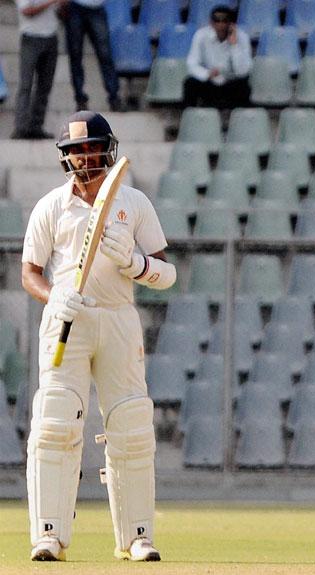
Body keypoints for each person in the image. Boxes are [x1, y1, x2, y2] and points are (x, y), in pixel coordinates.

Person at [21, 110, 177, 561]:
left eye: (91, 148)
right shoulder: (52, 206)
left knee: (130, 424)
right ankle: (48, 535)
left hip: (117, 319)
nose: (85, 157)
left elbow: (166, 273)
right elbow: (28, 271)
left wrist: (135, 264)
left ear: (107, 151)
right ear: (65, 158)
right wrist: (53, 298)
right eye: (76, 151)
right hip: (66, 321)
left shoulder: (134, 203)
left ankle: (137, 536)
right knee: (54, 422)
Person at [11, 0, 67, 139]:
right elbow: (27, 11)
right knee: (26, 84)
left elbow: (62, 14)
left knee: (45, 85)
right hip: (30, 37)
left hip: (51, 37)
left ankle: (36, 126)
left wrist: (63, 6)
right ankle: (21, 127)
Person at [184, 4, 252, 108]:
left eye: (224, 20)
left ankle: (239, 120)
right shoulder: (201, 35)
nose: (220, 24)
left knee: (244, 86)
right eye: (216, 20)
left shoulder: (243, 37)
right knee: (189, 83)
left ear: (231, 23)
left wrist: (234, 45)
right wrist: (207, 74)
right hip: (209, 82)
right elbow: (191, 63)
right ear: (211, 23)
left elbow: (242, 71)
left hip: (231, 82)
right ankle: (190, 118)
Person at [61, 0, 122, 111]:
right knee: (75, 55)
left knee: (105, 54)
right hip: (75, 7)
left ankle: (114, 97)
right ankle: (80, 98)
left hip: (96, 7)